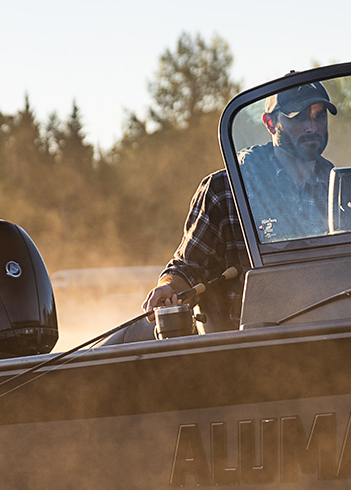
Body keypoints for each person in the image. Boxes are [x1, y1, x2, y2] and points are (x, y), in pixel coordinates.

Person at [142, 80, 339, 327]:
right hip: (250, 342)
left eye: (319, 116)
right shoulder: (225, 189)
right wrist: (169, 288)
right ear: (270, 123)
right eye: (298, 117)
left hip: (336, 330)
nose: (312, 127)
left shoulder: (342, 187)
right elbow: (189, 268)